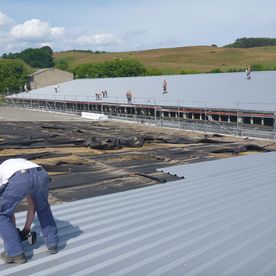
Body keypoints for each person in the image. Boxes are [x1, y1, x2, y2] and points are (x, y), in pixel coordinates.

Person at [0, 158, 58, 264]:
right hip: (41, 174)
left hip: (20, 178)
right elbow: (32, 206)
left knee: (2, 215)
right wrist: (26, 230)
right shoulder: (15, 165)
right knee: (43, 209)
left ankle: (15, 254)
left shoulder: (3, 174)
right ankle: (52, 244)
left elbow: (7, 212)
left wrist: (13, 231)